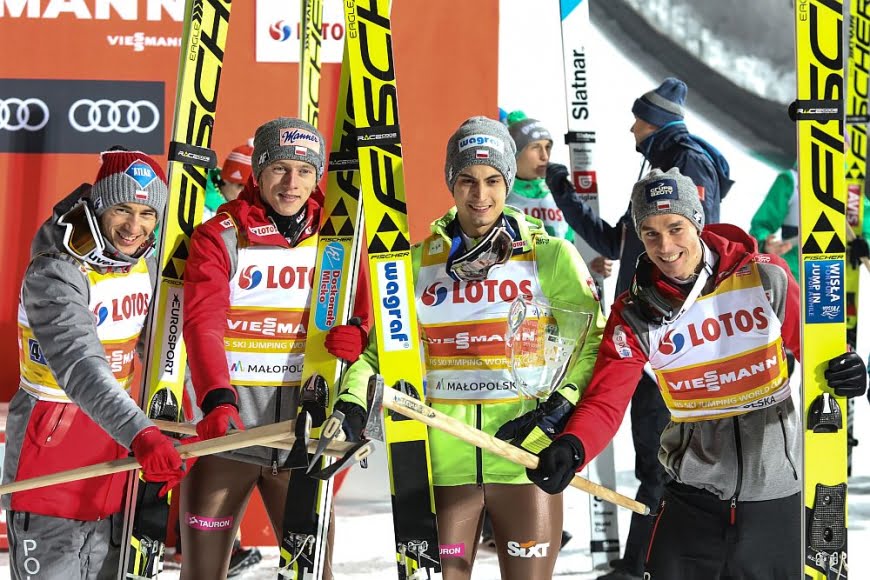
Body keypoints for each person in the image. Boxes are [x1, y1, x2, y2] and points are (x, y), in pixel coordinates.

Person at [528, 167, 868, 579]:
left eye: (675, 228)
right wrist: (573, 446)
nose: (665, 246)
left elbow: (818, 348)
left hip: (776, 501)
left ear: (697, 222)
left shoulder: (765, 278)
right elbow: (606, 401)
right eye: (650, 233)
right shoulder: (635, 313)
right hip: (690, 504)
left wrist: (849, 367)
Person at [336, 116, 605, 580]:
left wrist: (559, 410)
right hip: (443, 463)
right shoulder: (417, 263)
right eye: (467, 180)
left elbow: (591, 345)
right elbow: (379, 355)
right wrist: (351, 402)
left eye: (492, 180)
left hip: (525, 458)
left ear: (508, 181)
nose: (480, 195)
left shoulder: (549, 255)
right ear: (451, 182)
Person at [544, 77, 733, 580]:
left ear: (656, 122)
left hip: (672, 340)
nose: (631, 128)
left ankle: (642, 568)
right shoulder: (656, 167)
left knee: (667, 464)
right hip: (643, 326)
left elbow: (700, 253)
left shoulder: (687, 163)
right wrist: (561, 188)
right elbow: (614, 242)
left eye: (638, 119)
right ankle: (640, 566)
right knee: (655, 461)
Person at [178, 117, 372, 579]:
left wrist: (359, 335)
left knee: (311, 573)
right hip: (230, 431)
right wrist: (216, 399)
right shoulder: (221, 234)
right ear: (259, 172)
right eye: (280, 168)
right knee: (202, 571)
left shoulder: (339, 234)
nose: (292, 183)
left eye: (304, 171)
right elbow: (202, 324)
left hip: (303, 432)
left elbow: (365, 311)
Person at [2, 149, 187, 579]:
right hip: (52, 455)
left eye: (147, 214)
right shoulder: (56, 270)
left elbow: (166, 344)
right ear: (99, 205)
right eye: (122, 209)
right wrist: (142, 432)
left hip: (115, 455)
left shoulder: (145, 261)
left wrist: (188, 417)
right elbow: (80, 365)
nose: (134, 227)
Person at [505, 110, 612, 282]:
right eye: (535, 147)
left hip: (558, 289)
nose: (545, 156)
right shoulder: (500, 195)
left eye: (548, 147)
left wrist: (591, 269)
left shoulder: (560, 193)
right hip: (517, 289)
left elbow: (570, 253)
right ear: (515, 153)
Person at [203, 140, 254, 221]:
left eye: (252, 189)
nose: (246, 195)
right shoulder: (203, 210)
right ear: (226, 179)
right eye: (241, 186)